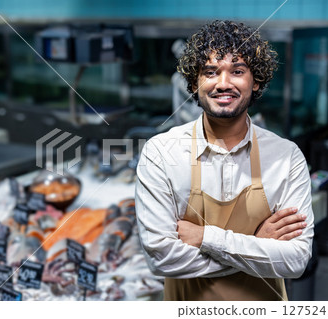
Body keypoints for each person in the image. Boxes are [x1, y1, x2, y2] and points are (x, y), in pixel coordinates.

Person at [135, 20, 314, 301]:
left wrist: (206, 238)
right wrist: (258, 245)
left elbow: (295, 261)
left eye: (238, 71)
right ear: (195, 83)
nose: (223, 83)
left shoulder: (286, 156)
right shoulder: (160, 152)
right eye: (210, 71)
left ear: (256, 82)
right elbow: (162, 260)